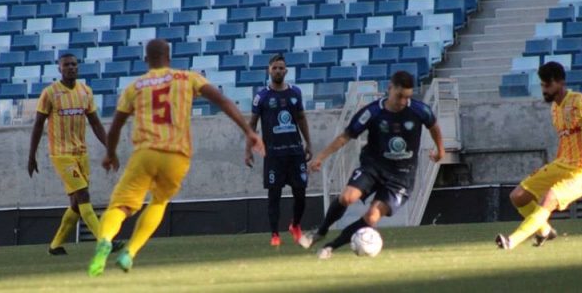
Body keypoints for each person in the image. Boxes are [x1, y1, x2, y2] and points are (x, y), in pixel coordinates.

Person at [88, 39, 265, 276]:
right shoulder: (187, 78)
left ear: (146, 60)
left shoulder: (135, 87)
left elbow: (115, 127)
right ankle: (130, 253)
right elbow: (222, 101)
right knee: (159, 202)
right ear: (169, 58)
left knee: (120, 206)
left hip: (146, 153)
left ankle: (105, 240)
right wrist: (249, 131)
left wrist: (110, 153)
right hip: (177, 155)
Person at [298, 71, 444, 259]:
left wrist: (440, 150)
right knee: (347, 197)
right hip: (373, 167)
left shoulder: (419, 110)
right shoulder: (372, 112)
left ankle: (330, 247)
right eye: (399, 96)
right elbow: (346, 135)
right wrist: (321, 157)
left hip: (401, 177)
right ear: (389, 89)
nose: (402, 102)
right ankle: (321, 231)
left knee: (372, 217)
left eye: (407, 97)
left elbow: (434, 126)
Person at [496, 62, 582, 250]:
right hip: (562, 165)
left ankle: (511, 241)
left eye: (548, 85)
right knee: (518, 196)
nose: (544, 90)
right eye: (542, 85)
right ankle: (545, 231)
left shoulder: (580, 101)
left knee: (549, 198)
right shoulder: (555, 108)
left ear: (561, 82)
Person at [29, 53, 122, 255]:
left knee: (76, 204)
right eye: (66, 65)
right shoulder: (50, 93)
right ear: (59, 69)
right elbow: (38, 125)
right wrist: (31, 155)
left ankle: (55, 246)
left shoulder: (85, 91)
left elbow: (95, 122)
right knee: (84, 195)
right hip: (61, 155)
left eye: (74, 64)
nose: (71, 67)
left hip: (81, 153)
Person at [246, 54, 312, 246]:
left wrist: (309, 143)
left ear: (286, 71)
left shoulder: (295, 93)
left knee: (300, 193)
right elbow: (252, 124)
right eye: (274, 68)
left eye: (281, 68)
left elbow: (301, 118)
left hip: (295, 152)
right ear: (269, 70)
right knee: (274, 194)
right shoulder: (262, 97)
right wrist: (247, 150)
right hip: (274, 154)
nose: (277, 71)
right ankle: (275, 234)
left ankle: (296, 225)